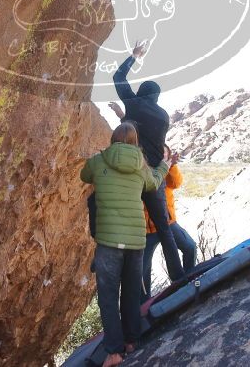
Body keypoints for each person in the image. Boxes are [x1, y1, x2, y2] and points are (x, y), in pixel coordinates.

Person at [80, 122, 169, 367]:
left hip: (109, 241)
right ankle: (131, 342)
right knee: (131, 293)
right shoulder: (140, 165)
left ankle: (114, 353)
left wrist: (98, 157)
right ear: (134, 141)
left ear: (113, 139)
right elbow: (154, 183)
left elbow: (84, 175)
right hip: (135, 240)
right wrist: (164, 165)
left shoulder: (100, 161)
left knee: (108, 297)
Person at [112, 41, 185, 281]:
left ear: (142, 92)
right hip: (155, 176)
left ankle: (136, 289)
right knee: (164, 228)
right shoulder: (163, 116)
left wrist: (134, 56)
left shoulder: (133, 104)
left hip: (133, 174)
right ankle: (178, 275)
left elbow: (118, 76)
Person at [141, 144, 197, 302]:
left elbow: (176, 183)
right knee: (143, 269)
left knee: (190, 247)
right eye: (161, 155)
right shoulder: (145, 169)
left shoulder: (166, 169)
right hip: (147, 228)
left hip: (169, 222)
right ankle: (145, 304)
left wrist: (171, 166)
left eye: (165, 155)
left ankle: (189, 282)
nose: (163, 157)